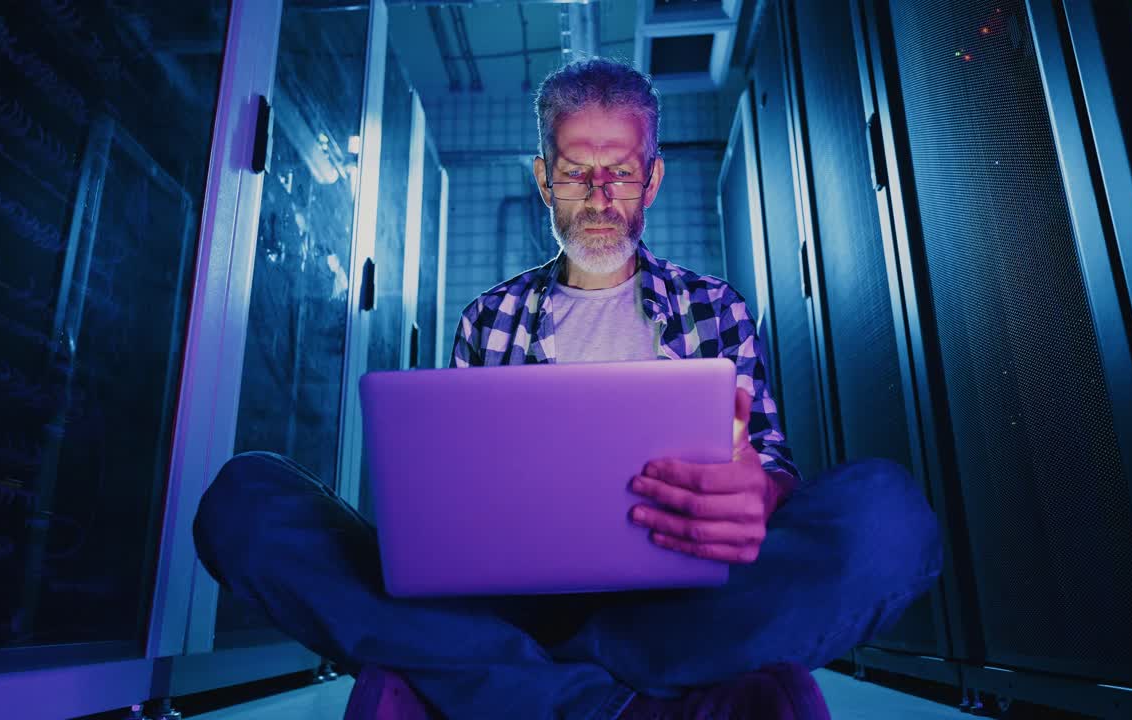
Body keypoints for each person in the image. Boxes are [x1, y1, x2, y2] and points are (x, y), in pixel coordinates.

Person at [193, 58, 943, 719]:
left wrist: (761, 493)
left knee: (891, 520)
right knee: (247, 505)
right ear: (543, 177)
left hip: (682, 601)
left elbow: (772, 463)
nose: (598, 194)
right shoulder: (488, 318)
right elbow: (455, 501)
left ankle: (499, 686)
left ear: (651, 177)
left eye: (619, 170)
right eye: (575, 170)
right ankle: (627, 700)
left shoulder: (716, 307)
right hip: (515, 606)